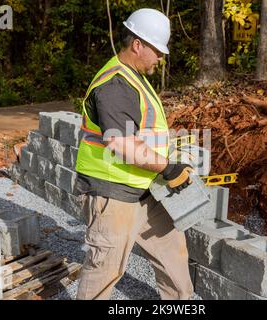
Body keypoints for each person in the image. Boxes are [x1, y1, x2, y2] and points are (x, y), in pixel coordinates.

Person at [74, 8, 194, 300]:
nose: (161, 57)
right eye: (157, 50)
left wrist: (171, 163)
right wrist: (168, 168)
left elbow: (145, 132)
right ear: (137, 44)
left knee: (174, 260)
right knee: (105, 272)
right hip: (112, 194)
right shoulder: (115, 84)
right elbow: (121, 144)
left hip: (146, 189)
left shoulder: (134, 77)